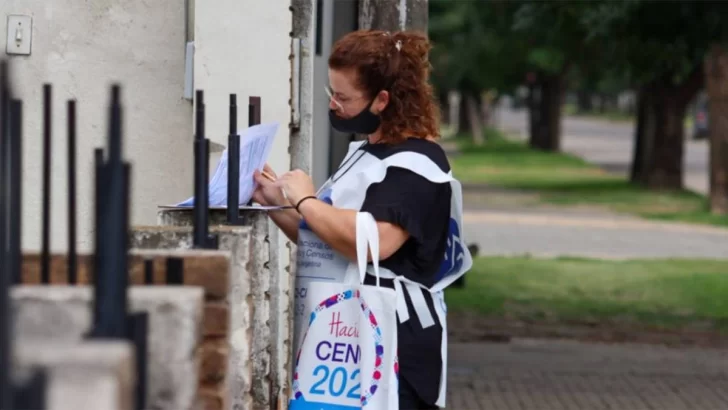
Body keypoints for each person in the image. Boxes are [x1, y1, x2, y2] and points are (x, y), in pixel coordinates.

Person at [253, 29, 470, 410]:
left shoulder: (417, 164)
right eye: (331, 93)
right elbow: (330, 240)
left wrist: (304, 198)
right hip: (347, 335)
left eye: (343, 97)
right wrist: (275, 205)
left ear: (382, 100)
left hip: (394, 344)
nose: (333, 105)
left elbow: (376, 242)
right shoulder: (366, 152)